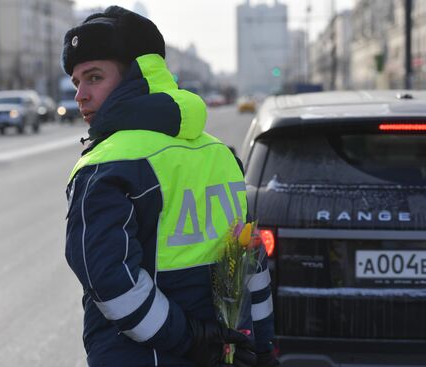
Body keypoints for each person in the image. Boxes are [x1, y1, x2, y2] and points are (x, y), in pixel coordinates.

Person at [63, 6, 278, 367]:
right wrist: (264, 349)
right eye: (76, 82)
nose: (80, 95)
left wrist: (193, 340)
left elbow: (112, 284)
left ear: (138, 76)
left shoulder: (106, 166)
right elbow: (252, 267)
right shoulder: (221, 155)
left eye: (94, 77)